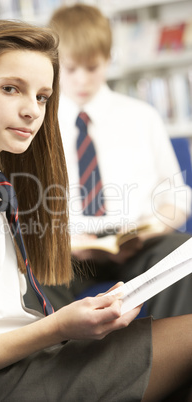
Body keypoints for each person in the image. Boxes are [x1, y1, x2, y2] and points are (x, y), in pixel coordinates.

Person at [0, 18, 191, 402]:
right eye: (11, 89)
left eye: (42, 97)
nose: (32, 110)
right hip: (8, 380)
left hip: (33, 355)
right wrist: (58, 327)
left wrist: (61, 328)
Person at [41, 4, 192, 319]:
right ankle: (56, 364)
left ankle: (171, 356)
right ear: (53, 64)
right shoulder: (37, 125)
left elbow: (176, 198)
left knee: (182, 255)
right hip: (67, 252)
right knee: (33, 276)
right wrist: (61, 241)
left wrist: (148, 232)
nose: (82, 79)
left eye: (92, 67)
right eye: (70, 69)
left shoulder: (142, 117)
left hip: (136, 244)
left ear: (109, 60)